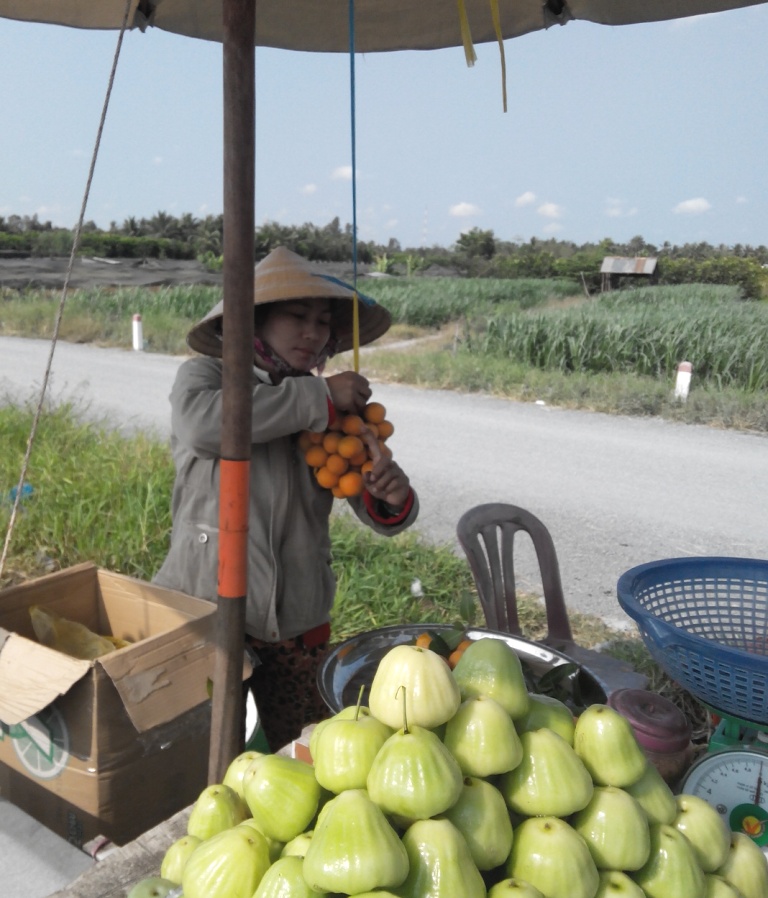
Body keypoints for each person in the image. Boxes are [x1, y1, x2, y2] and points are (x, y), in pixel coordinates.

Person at [153, 246, 418, 751]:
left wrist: (393, 492)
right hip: (205, 606)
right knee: (205, 747)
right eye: (297, 317)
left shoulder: (333, 408)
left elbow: (375, 506)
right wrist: (317, 398)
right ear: (256, 321)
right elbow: (207, 427)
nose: (313, 333)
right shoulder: (207, 378)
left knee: (296, 748)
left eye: (322, 323)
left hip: (297, 618)